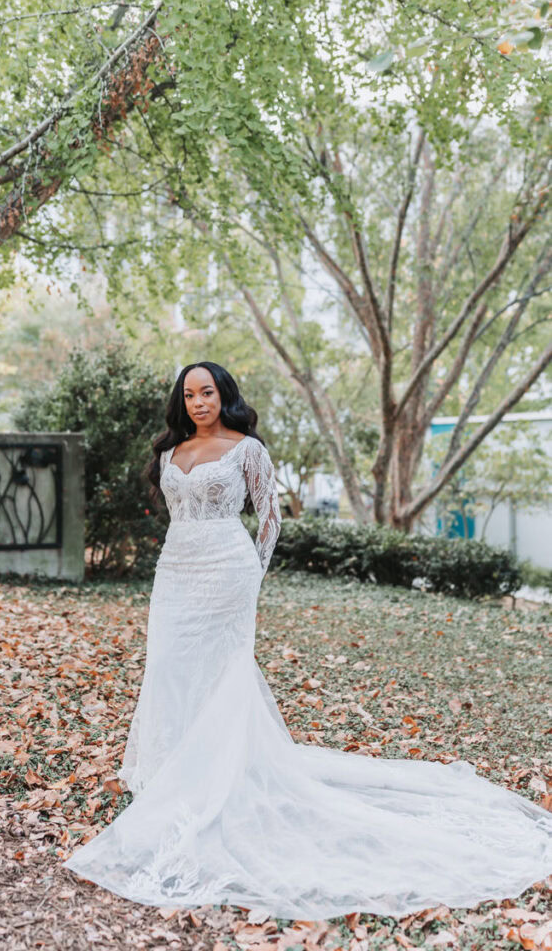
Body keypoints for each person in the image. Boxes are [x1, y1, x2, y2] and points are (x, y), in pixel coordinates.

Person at [64, 361, 552, 920]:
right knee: (171, 668)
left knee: (223, 675)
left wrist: (253, 575)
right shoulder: (168, 454)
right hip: (175, 572)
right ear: (181, 401)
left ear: (224, 395)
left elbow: (270, 518)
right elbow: (176, 514)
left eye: (208, 392)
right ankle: (171, 771)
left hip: (227, 570)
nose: (199, 402)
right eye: (189, 394)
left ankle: (217, 778)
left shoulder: (247, 449)